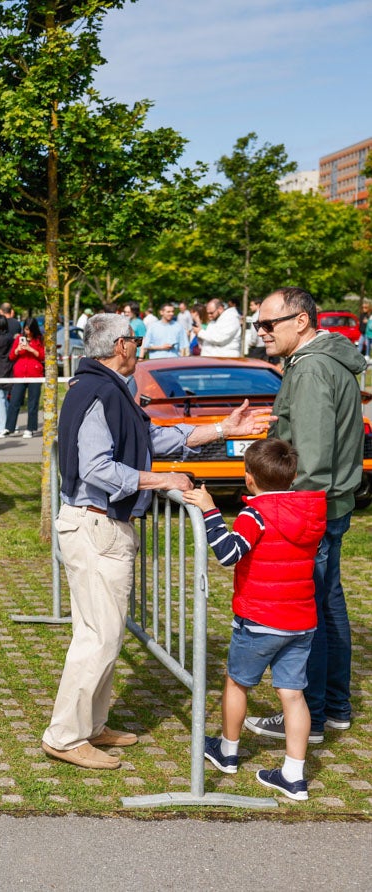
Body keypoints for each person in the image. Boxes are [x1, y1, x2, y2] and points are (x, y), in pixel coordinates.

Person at [41, 313, 267, 770]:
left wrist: (223, 429)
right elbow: (96, 469)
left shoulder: (106, 388)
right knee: (98, 637)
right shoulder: (97, 391)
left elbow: (154, 438)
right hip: (94, 525)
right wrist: (159, 481)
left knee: (104, 633)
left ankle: (91, 724)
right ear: (120, 345)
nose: (140, 345)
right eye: (135, 339)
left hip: (101, 526)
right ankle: (65, 736)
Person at [244, 287, 364, 746]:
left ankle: (310, 716)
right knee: (327, 605)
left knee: (306, 614)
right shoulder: (319, 361)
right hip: (330, 507)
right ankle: (332, 708)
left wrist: (290, 515)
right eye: (257, 324)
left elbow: (311, 462)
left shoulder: (312, 367)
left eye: (268, 324)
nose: (261, 332)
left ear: (301, 321)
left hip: (313, 510)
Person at [183, 439, 324, 801]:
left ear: (249, 479)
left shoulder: (255, 514)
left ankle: (227, 753)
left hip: (260, 618)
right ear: (292, 476)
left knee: (237, 682)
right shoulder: (309, 511)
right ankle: (293, 775)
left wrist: (211, 512)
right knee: (292, 694)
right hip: (301, 619)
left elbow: (229, 554)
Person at [4, 317, 44, 438]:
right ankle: (9, 427)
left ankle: (30, 428)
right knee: (15, 401)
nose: (27, 332)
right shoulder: (18, 339)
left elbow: (42, 356)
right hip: (20, 374)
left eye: (29, 330)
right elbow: (11, 357)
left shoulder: (39, 340)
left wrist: (30, 349)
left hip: (35, 374)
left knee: (33, 403)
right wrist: (17, 350)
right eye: (26, 329)